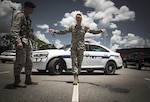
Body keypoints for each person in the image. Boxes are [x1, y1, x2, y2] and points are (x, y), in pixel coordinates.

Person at [49, 13, 107, 85]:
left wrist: (100, 30)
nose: (78, 19)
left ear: (81, 19)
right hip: (73, 47)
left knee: (79, 63)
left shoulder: (85, 27)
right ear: (76, 19)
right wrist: (54, 31)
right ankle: (75, 77)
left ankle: (77, 75)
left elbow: (93, 32)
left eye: (79, 18)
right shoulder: (72, 27)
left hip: (81, 48)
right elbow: (63, 32)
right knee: (74, 62)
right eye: (77, 18)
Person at [10, 1, 38, 88]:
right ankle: (17, 80)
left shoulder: (28, 19)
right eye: (31, 9)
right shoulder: (20, 16)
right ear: (26, 8)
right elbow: (14, 30)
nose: (32, 10)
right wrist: (18, 41)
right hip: (21, 41)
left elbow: (29, 31)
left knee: (29, 61)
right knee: (20, 61)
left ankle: (28, 79)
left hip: (27, 41)